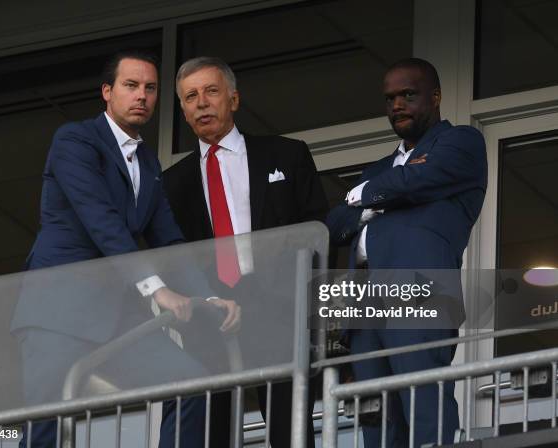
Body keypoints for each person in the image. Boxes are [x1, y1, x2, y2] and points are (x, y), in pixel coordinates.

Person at [11, 50, 239, 448]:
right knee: (43, 428)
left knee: (193, 386)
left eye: (150, 88)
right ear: (107, 92)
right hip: (57, 314)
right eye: (131, 86)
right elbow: (102, 222)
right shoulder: (75, 140)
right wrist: (157, 289)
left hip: (115, 316)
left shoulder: (148, 161)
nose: (142, 96)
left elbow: (169, 240)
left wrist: (209, 294)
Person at [163, 56, 328, 448]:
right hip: (210, 320)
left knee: (291, 434)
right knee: (212, 433)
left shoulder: (287, 155)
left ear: (233, 100)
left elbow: (317, 233)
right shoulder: (171, 185)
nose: (202, 103)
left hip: (278, 313)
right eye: (190, 97)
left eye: (211, 91)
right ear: (184, 112)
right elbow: (169, 256)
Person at [327, 58, 487, 447]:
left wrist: (368, 195)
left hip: (419, 289)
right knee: (375, 414)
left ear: (435, 97)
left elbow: (422, 178)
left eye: (408, 95)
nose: (397, 104)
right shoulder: (380, 166)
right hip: (364, 300)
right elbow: (335, 223)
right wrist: (380, 196)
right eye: (390, 99)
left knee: (422, 398)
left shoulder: (461, 142)